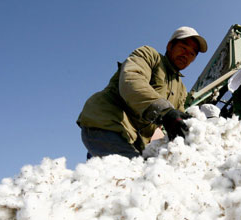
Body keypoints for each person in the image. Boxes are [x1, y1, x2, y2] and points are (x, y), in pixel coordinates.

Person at [77, 26, 208, 159]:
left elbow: (176, 119)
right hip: (108, 124)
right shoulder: (149, 55)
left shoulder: (181, 89)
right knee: (134, 174)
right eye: (183, 48)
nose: (186, 55)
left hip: (134, 141)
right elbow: (132, 80)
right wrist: (165, 111)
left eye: (192, 54)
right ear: (170, 46)